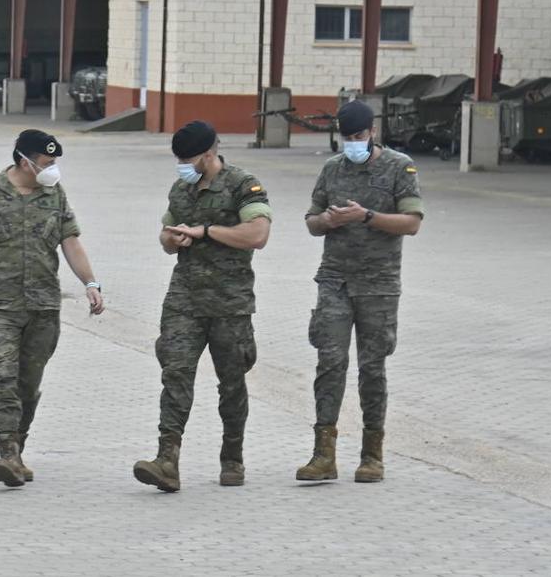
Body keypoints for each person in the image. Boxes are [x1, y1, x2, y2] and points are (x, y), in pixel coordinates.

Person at [0, 130, 105, 487]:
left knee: (28, 387)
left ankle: (18, 447)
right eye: (46, 163)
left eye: (54, 163)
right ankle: (8, 453)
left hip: (44, 307)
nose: (52, 170)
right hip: (0, 305)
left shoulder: (54, 194)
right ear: (24, 161)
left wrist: (91, 284)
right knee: (3, 377)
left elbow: (71, 242)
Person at [132, 121, 272, 493]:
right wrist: (173, 238)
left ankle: (232, 457)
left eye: (187, 159)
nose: (182, 166)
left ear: (209, 154)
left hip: (230, 302)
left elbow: (257, 235)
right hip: (185, 299)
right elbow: (165, 236)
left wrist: (206, 232)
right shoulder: (181, 188)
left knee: (231, 383)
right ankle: (167, 460)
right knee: (175, 373)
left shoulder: (244, 185)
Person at [296, 100, 424, 484]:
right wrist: (328, 220)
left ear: (372, 132)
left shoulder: (399, 167)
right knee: (329, 363)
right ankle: (323, 454)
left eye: (359, 136)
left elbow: (412, 222)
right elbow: (311, 221)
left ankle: (372, 454)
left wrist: (366, 216)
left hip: (379, 285)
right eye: (347, 137)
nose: (353, 143)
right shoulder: (332, 168)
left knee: (372, 369)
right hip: (335, 280)